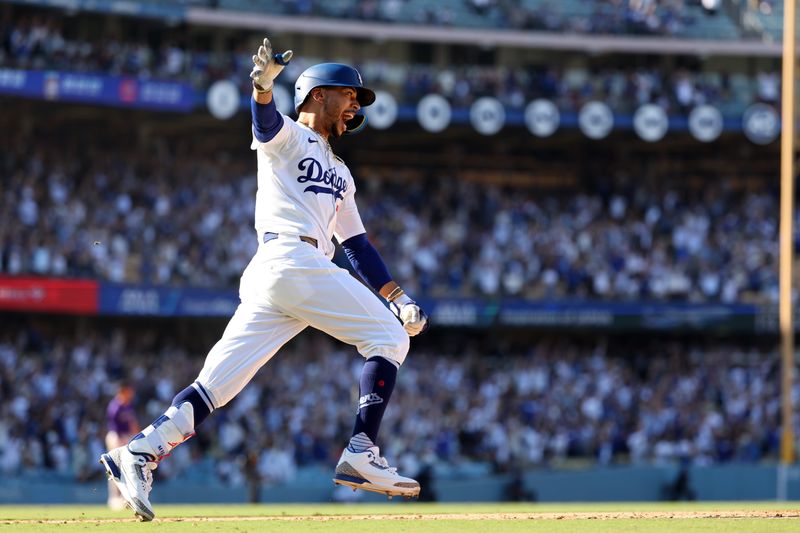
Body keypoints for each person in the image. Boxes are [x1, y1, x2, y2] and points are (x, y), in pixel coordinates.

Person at [99, 37, 428, 521]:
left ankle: (139, 452)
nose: (356, 104)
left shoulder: (341, 171)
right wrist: (262, 89)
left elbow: (356, 245)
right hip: (289, 257)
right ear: (318, 94)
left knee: (216, 386)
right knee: (388, 337)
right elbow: (266, 123)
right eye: (349, 93)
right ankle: (360, 452)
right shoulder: (291, 136)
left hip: (286, 274)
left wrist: (397, 295)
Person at [104, 385, 140, 510]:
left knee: (128, 468)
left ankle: (127, 497)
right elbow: (115, 428)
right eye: (128, 392)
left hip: (127, 437)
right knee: (116, 468)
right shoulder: (115, 406)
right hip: (117, 437)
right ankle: (114, 498)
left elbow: (133, 423)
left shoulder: (128, 406)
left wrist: (137, 436)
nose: (131, 394)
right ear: (123, 391)